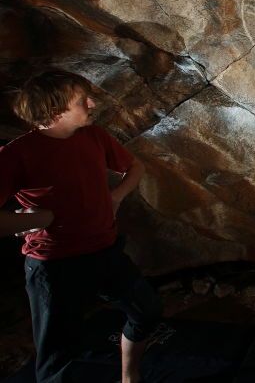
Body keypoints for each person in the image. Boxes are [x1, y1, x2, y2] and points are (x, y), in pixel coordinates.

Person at [0, 70, 162, 383]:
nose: (92, 102)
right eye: (81, 100)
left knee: (147, 310)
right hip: (55, 267)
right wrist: (36, 220)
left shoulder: (94, 136)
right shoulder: (15, 155)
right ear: (54, 110)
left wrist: (115, 197)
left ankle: (130, 378)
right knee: (57, 357)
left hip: (105, 252)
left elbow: (134, 166)